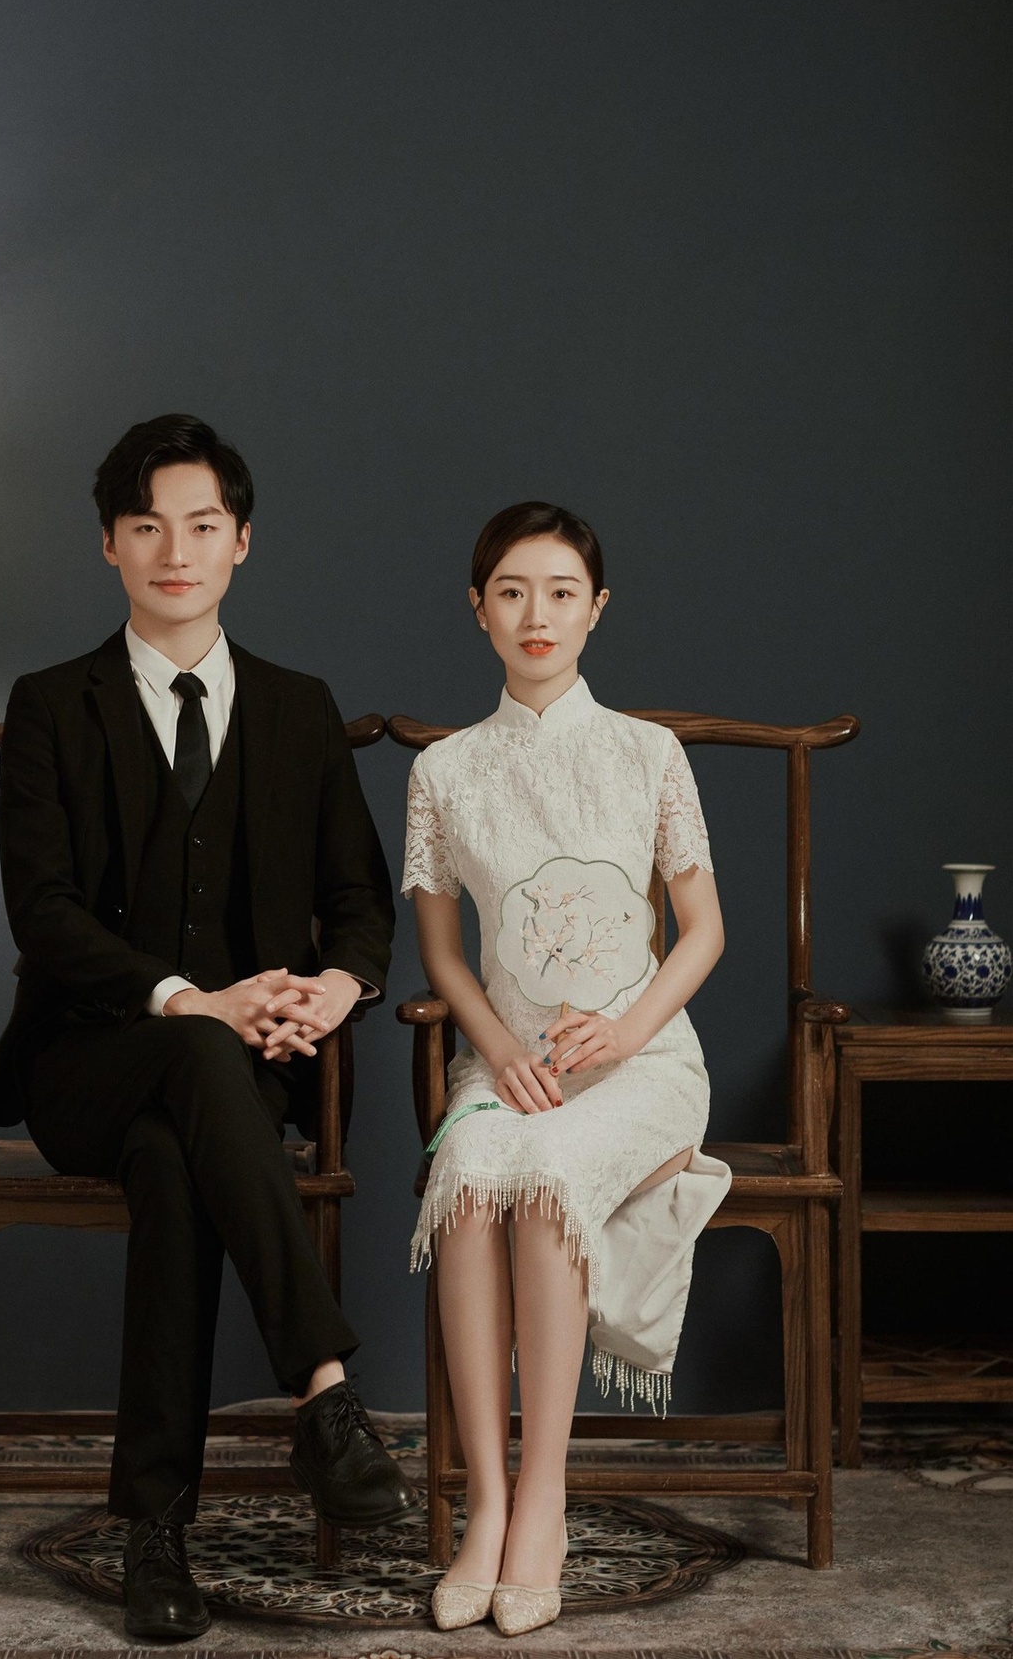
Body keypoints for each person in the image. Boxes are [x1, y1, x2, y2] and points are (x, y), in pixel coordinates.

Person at [0, 414, 412, 1642]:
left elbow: (360, 903)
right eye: (148, 525)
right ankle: (324, 1386)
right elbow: (45, 913)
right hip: (86, 1062)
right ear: (109, 542)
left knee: (175, 1161)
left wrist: (339, 988)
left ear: (242, 541)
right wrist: (189, 998)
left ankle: (155, 1529)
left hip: (246, 1073)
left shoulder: (301, 708)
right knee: (191, 1063)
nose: (176, 550)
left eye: (202, 525)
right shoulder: (51, 705)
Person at [402, 501, 731, 1638]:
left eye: (559, 592)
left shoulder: (649, 754)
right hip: (509, 1062)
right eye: (510, 591)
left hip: (642, 1063)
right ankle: (485, 1505)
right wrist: (496, 1048)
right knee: (469, 1175)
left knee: (544, 1178)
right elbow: (443, 952)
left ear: (597, 609)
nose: (535, 614)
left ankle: (542, 1496)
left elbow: (703, 930)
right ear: (478, 608)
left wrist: (629, 1031)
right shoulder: (444, 771)